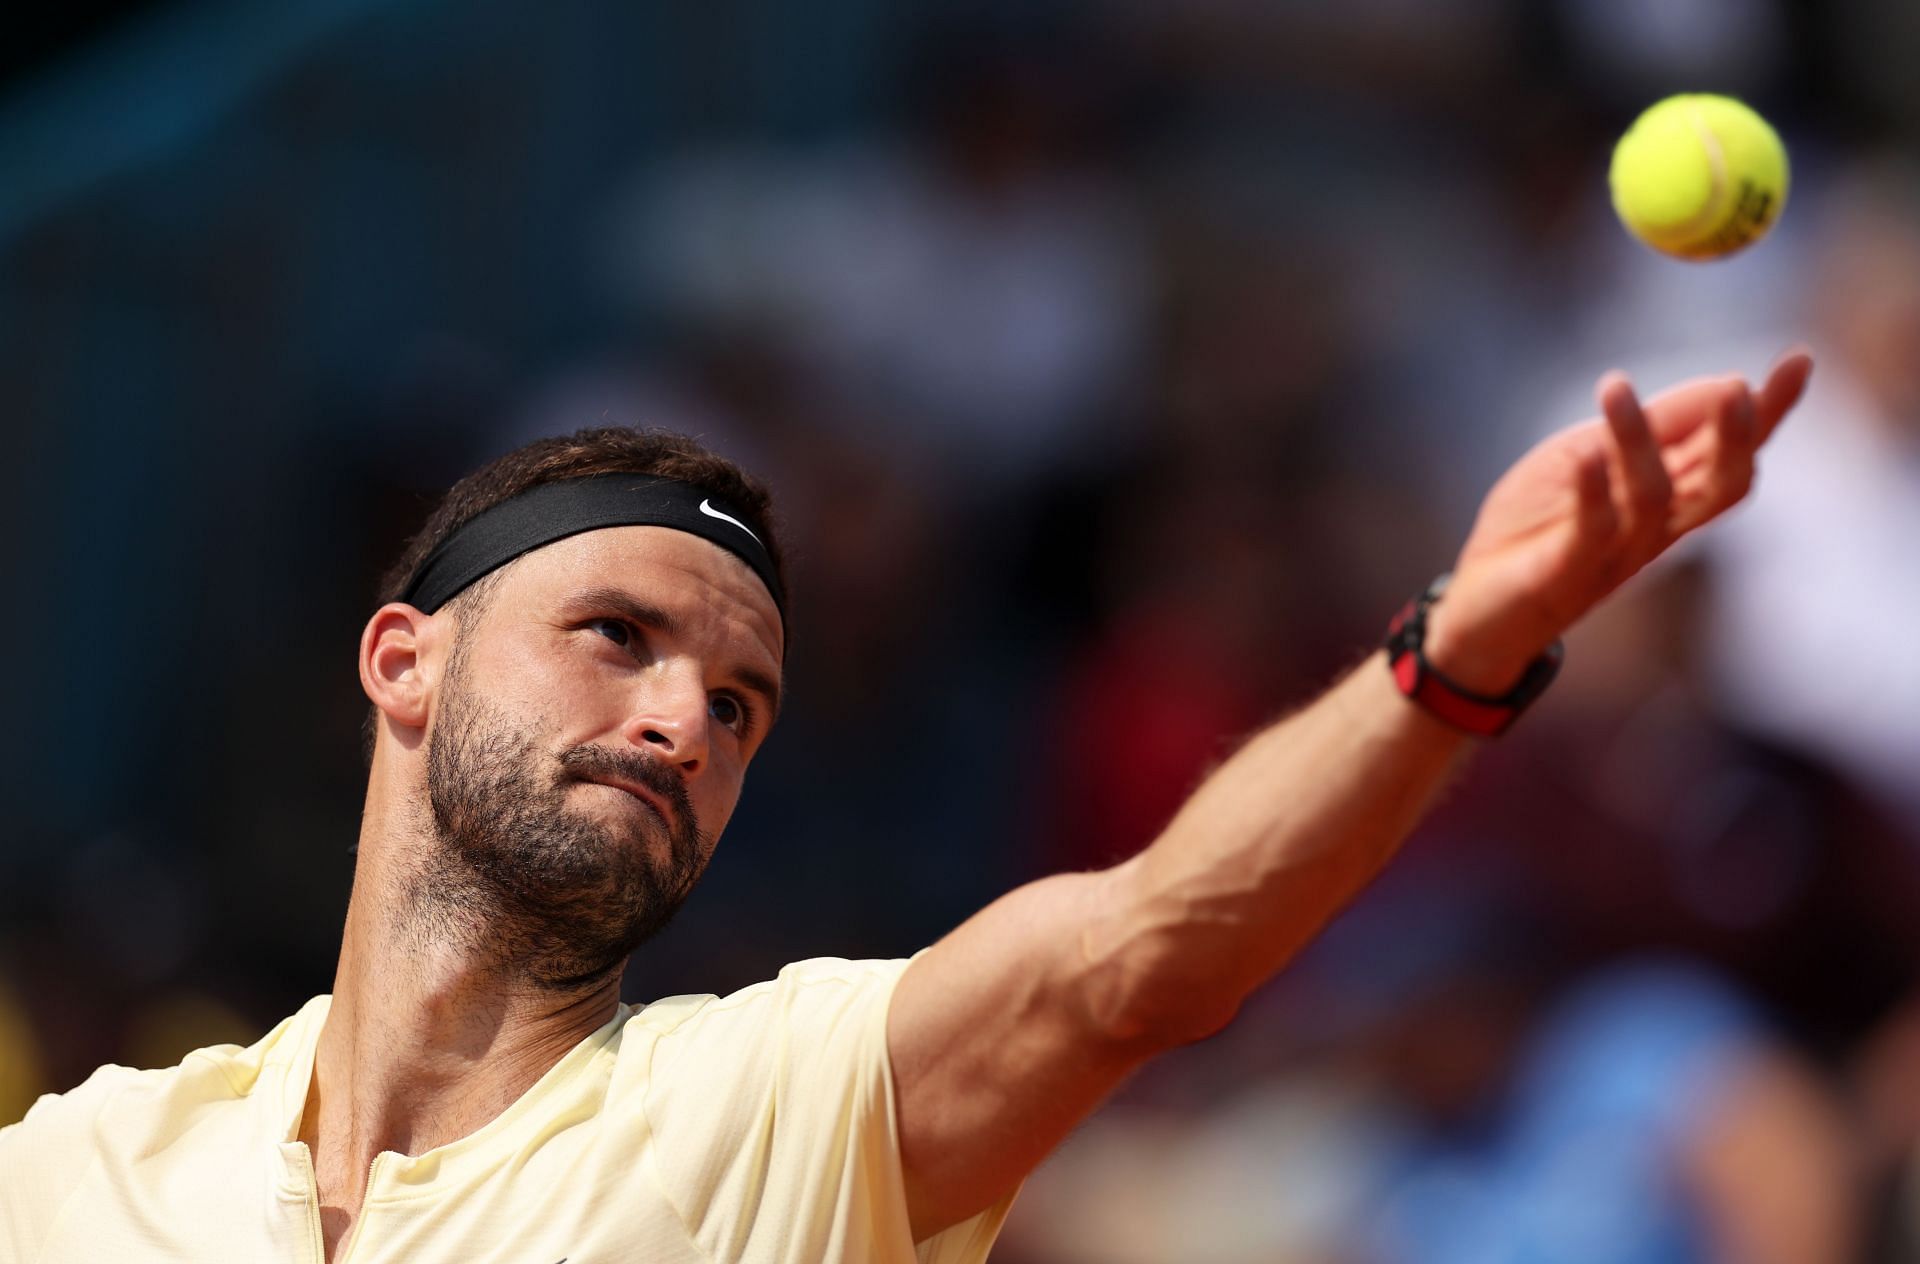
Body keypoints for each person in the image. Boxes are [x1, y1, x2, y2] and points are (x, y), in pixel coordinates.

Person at [0, 351, 1814, 1263]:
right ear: (403, 663)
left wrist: (1456, 651)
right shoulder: (81, 1175)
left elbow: (1144, 951)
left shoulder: (778, 1097)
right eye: (615, 636)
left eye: (739, 703)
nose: (680, 721)